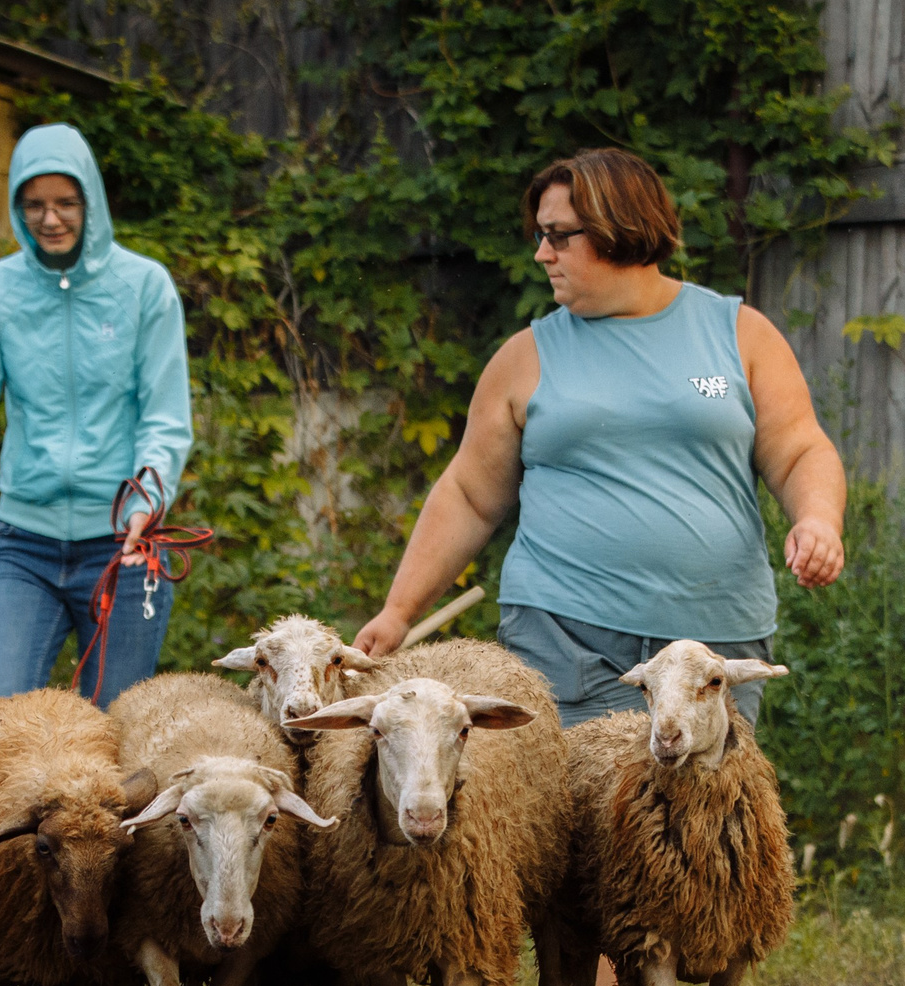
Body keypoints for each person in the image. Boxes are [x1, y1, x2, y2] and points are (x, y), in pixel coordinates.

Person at [353, 147, 845, 728]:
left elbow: (799, 451)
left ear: (618, 228)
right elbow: (468, 494)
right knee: (571, 815)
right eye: (540, 235)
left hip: (714, 646)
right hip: (565, 642)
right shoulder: (524, 358)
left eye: (559, 235)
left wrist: (818, 519)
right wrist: (399, 611)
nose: (542, 253)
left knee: (698, 818)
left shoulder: (740, 335)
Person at [0, 122, 193, 708]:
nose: (51, 219)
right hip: (23, 545)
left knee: (116, 740)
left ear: (92, 202)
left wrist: (145, 507)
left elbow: (164, 419)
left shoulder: (144, 288)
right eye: (34, 205)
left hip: (123, 547)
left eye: (65, 202)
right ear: (16, 208)